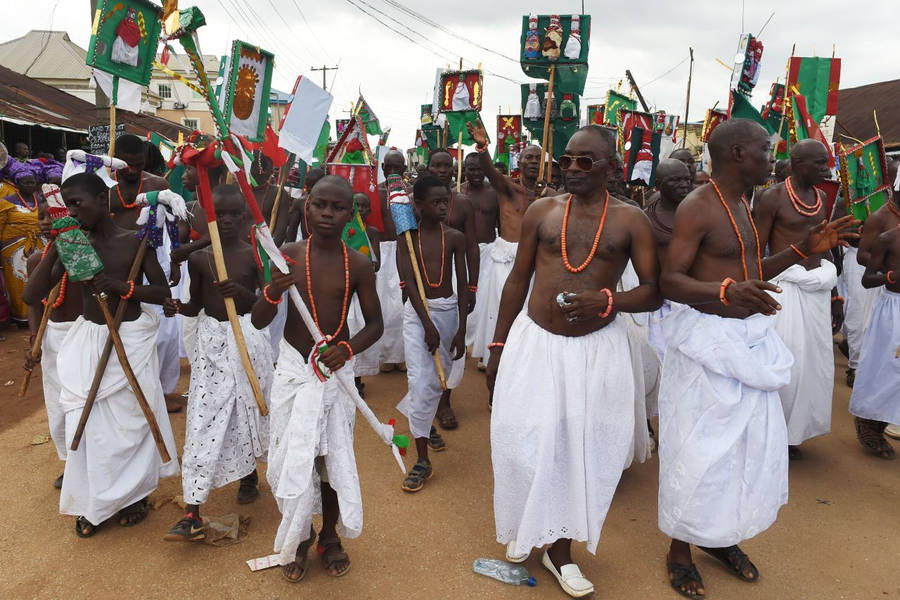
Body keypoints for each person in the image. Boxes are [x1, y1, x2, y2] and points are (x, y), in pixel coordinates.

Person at [657, 119, 857, 598]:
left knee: (739, 451)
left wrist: (801, 250)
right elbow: (670, 281)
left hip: (747, 340)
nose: (775, 158)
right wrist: (724, 290)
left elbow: (750, 271)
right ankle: (680, 550)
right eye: (768, 150)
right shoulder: (698, 207)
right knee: (698, 452)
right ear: (738, 153)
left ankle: (720, 538)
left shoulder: (743, 203)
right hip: (707, 346)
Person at [488, 125, 661, 598]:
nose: (572, 169)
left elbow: (652, 291)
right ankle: (531, 527)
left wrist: (605, 300)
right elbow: (517, 279)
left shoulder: (630, 220)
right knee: (522, 440)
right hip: (534, 344)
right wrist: (498, 347)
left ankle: (560, 551)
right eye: (566, 160)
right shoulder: (542, 210)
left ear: (612, 168)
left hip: (595, 352)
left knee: (576, 449)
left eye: (586, 162)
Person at [23, 172, 178, 537]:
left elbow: (161, 292)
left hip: (130, 342)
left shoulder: (133, 244)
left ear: (102, 199)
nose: (73, 211)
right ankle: (97, 501)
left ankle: (134, 495)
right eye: (67, 205)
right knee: (90, 423)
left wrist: (123, 287)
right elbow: (32, 295)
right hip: (91, 341)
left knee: (131, 423)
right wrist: (58, 249)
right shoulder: (75, 246)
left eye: (78, 203)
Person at [252, 175, 383, 582]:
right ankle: (300, 537)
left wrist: (347, 349)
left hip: (335, 374)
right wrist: (273, 291)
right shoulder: (287, 255)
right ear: (306, 208)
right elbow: (258, 319)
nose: (327, 214)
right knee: (294, 457)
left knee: (331, 460)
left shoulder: (359, 264)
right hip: (294, 370)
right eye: (320, 205)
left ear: (351, 215)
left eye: (337, 208)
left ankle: (329, 536)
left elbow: (376, 324)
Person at [162, 185, 274, 541]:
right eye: (218, 215)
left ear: (245, 219)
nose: (226, 220)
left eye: (233, 214)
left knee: (248, 410)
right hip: (211, 343)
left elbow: (265, 308)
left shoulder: (256, 257)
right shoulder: (200, 259)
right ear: (207, 220)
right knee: (203, 418)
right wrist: (176, 307)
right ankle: (192, 509)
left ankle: (249, 475)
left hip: (247, 342)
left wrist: (242, 295)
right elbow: (196, 303)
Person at [753, 139, 842, 460]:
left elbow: (825, 244)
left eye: (826, 163)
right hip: (783, 290)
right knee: (782, 363)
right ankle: (770, 433)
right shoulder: (771, 198)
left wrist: (836, 295)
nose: (826, 169)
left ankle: (793, 433)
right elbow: (755, 249)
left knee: (811, 366)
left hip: (816, 290)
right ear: (797, 163)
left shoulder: (821, 198)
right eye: (819, 164)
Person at [396, 175, 467, 492]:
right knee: (420, 380)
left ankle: (421, 421)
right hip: (418, 316)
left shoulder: (454, 237)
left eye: (445, 201)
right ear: (419, 204)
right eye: (435, 202)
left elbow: (463, 284)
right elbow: (409, 284)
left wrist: (462, 329)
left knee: (439, 380)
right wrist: (426, 324)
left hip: (448, 312)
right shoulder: (406, 240)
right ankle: (422, 458)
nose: (442, 206)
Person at [466, 121, 554, 373]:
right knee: (500, 313)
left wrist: (545, 196)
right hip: (505, 263)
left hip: (535, 264)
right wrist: (483, 147)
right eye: (529, 157)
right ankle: (497, 361)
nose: (534, 161)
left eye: (539, 158)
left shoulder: (552, 195)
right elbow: (490, 171)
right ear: (520, 162)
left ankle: (524, 362)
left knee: (529, 315)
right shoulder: (507, 189)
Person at [24, 199, 83, 488]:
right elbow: (32, 302)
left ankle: (84, 460)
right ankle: (70, 462)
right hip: (52, 338)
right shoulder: (37, 259)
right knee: (58, 404)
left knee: (81, 404)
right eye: (41, 216)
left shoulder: (82, 254)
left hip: (83, 335)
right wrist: (35, 337)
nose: (45, 221)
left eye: (52, 215)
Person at [849, 222, 900, 458]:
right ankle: (870, 423)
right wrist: (891, 276)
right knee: (887, 368)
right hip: (893, 309)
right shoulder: (887, 239)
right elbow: (867, 279)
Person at [460, 153, 500, 375]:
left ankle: (484, 349)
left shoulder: (494, 193)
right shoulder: (457, 191)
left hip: (488, 253)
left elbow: (502, 226)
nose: (475, 173)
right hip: (462, 253)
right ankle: (462, 342)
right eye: (470, 169)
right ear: (464, 169)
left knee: (485, 302)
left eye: (479, 169)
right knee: (461, 298)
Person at [2, 160, 47, 323]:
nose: (29, 185)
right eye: (25, 182)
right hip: (13, 249)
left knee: (39, 278)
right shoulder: (6, 202)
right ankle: (21, 316)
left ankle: (39, 314)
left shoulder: (42, 200)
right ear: (17, 183)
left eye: (32, 182)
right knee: (19, 281)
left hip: (40, 245)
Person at [375, 153, 407, 372]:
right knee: (383, 306)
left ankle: (402, 355)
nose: (393, 170)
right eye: (390, 166)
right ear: (383, 167)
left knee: (402, 305)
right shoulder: (374, 191)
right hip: (379, 252)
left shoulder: (408, 193)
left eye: (398, 166)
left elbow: (407, 226)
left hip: (402, 250)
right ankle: (385, 356)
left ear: (404, 168)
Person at [347, 191, 382, 390]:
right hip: (342, 290)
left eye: (363, 206)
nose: (360, 210)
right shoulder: (340, 230)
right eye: (356, 205)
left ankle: (357, 379)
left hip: (361, 292)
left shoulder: (372, 232)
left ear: (369, 210)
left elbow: (376, 264)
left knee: (358, 330)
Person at [286, 167, 324, 242]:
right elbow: (292, 230)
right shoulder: (300, 202)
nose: (309, 189)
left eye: (312, 186)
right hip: (306, 247)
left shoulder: (330, 203)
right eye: (307, 186)